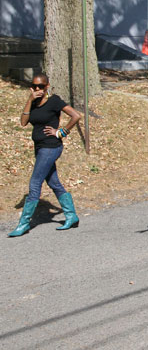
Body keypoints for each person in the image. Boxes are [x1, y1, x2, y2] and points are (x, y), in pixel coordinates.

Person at [8, 74, 84, 237]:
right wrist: (29, 99)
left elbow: (76, 115)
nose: (37, 89)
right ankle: (72, 216)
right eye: (34, 86)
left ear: (47, 86)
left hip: (51, 147)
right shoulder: (34, 103)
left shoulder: (54, 101)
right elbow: (23, 122)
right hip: (40, 147)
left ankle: (24, 224)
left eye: (41, 86)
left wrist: (61, 132)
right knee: (53, 182)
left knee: (35, 183)